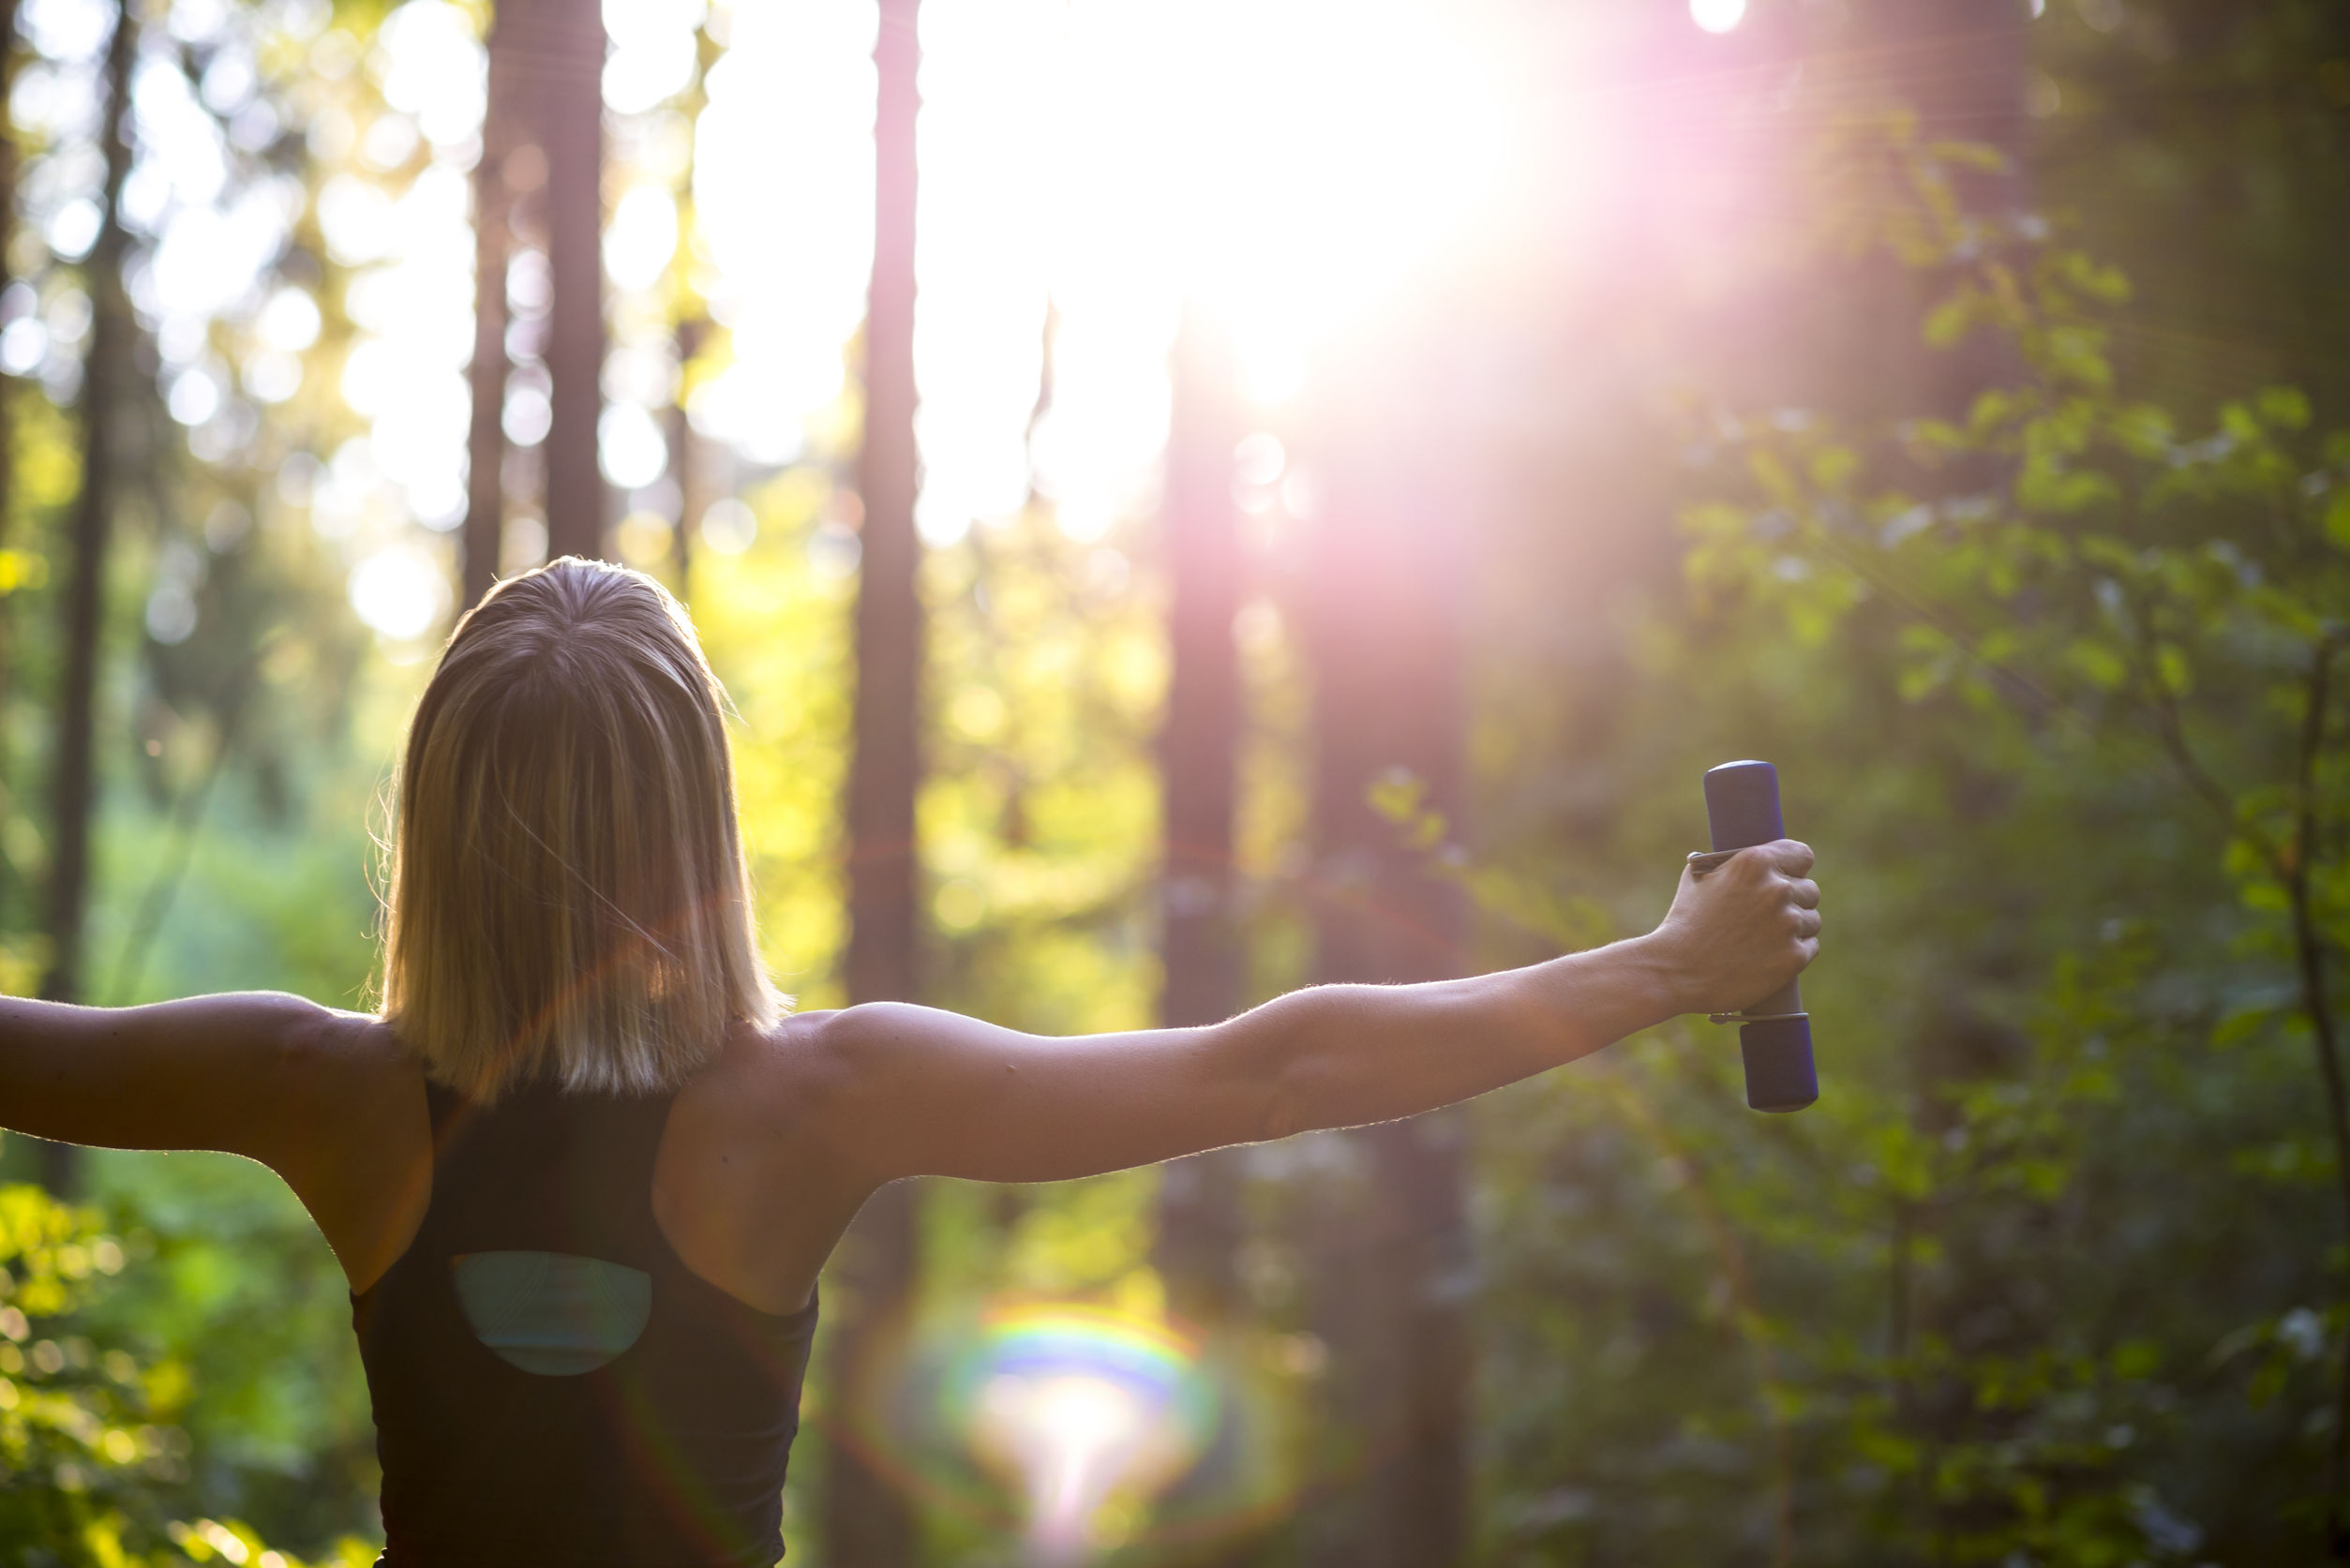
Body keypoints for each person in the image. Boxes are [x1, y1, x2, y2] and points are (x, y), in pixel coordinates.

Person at [0, 557, 1820, 1566]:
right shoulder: (808, 1108)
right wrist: (1666, 970)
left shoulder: (323, 1091)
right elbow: (1270, 1068)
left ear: (439, 817)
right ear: (694, 829)